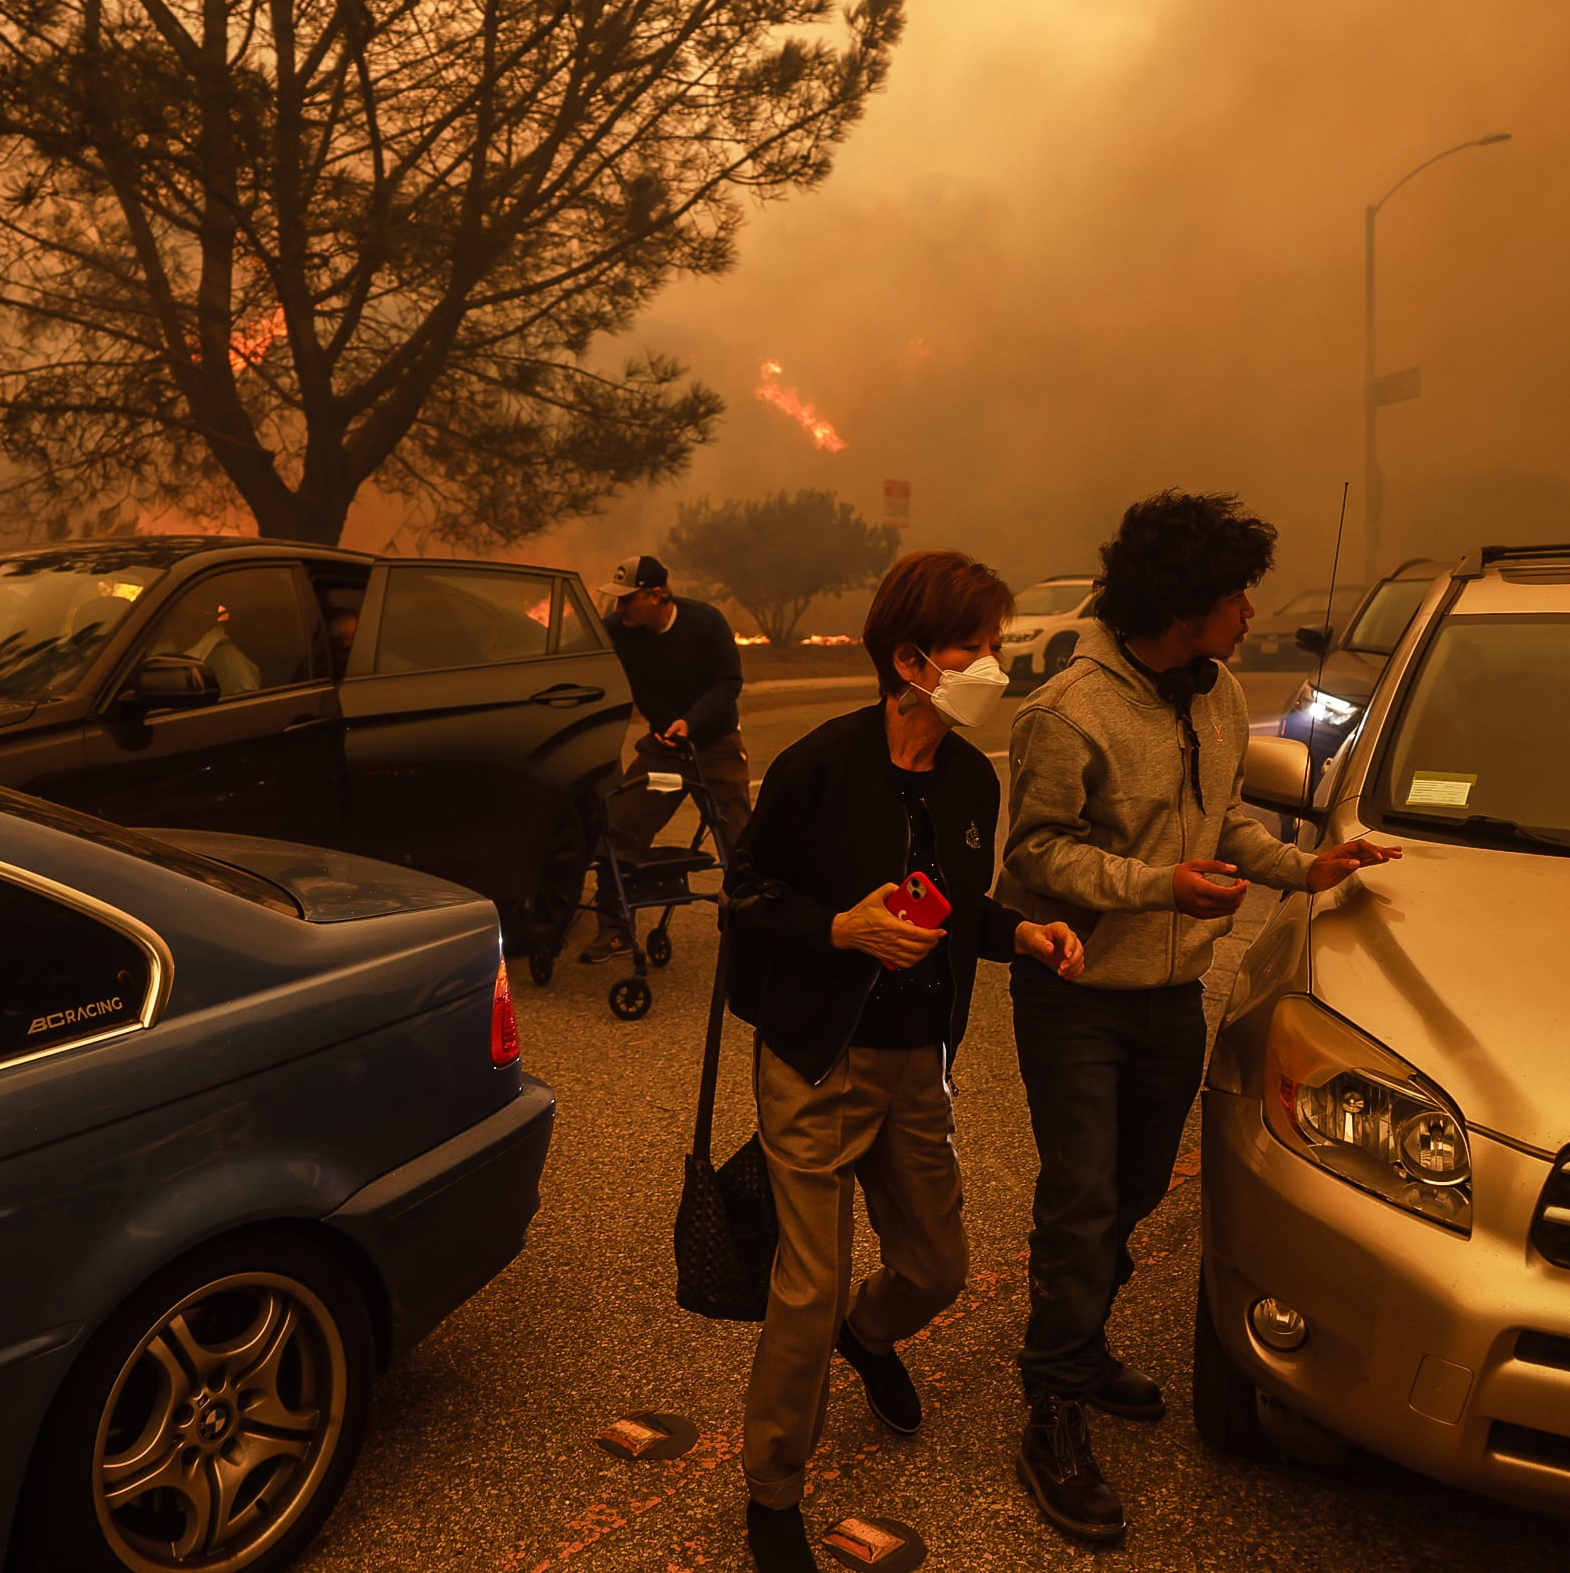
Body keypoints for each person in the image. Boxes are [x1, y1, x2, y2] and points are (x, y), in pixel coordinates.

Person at [997, 491, 1401, 1545]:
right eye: (1233, 595)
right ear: (1183, 605)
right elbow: (1031, 855)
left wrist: (1305, 867)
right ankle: (1051, 1402)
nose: (1251, 610)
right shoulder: (1068, 709)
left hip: (1171, 997)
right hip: (1076, 995)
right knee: (1082, 1198)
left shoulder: (1215, 693)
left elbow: (1223, 819)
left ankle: (1077, 1345)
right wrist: (1154, 886)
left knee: (1131, 1191)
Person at [723, 549, 1087, 1573]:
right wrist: (840, 928)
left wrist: (1020, 933)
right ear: (912, 658)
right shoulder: (817, 767)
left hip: (916, 1061)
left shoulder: (972, 778)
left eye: (999, 646)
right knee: (807, 1283)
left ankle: (870, 1334)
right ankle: (771, 1491)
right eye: (981, 647)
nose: (997, 666)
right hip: (813, 1058)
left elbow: (954, 907)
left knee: (937, 1266)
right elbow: (743, 898)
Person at [581, 553, 755, 962]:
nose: (619, 608)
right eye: (616, 600)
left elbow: (730, 682)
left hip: (714, 744)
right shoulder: (618, 631)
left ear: (656, 595)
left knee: (739, 840)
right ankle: (615, 928)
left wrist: (690, 722)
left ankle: (752, 930)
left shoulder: (706, 623)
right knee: (621, 826)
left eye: (628, 600)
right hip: (662, 748)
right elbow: (584, 659)